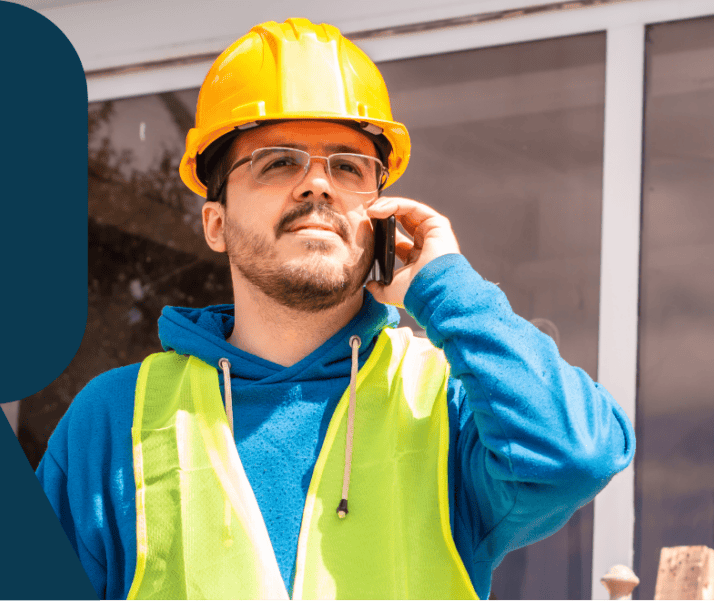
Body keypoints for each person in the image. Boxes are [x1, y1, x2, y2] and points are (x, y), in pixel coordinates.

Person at [37, 17, 635, 600]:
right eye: (277, 161)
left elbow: (575, 455)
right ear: (215, 224)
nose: (317, 185)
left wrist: (449, 288)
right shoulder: (115, 422)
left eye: (347, 167)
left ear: (378, 215)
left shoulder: (446, 404)